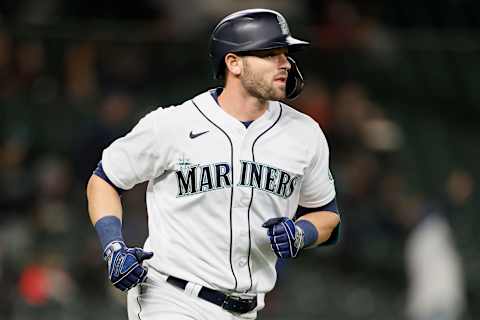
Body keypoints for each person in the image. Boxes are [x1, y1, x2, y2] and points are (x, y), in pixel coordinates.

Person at [86, 8, 341, 320]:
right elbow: (105, 179)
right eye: (270, 54)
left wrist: (302, 232)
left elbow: (328, 215)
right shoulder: (174, 124)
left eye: (285, 54)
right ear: (233, 62)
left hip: (248, 308)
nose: (284, 63)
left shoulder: (304, 133)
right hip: (171, 298)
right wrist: (114, 247)